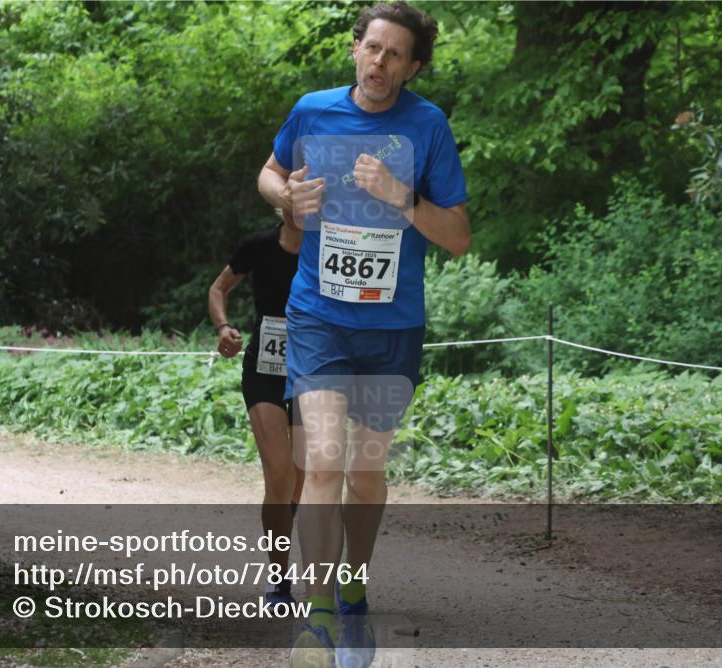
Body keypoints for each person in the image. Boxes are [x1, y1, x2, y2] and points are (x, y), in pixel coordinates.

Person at [257, 2, 470, 666]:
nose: (380, 62)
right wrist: (285, 198)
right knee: (321, 461)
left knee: (366, 471)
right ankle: (317, 617)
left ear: (413, 66)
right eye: (372, 48)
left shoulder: (428, 127)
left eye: (396, 54)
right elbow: (268, 172)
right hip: (319, 317)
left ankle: (355, 576)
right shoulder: (313, 110)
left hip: (392, 329)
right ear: (355, 49)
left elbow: (459, 238)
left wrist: (401, 198)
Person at [208, 209, 306, 608]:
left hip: (312, 369)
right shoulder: (259, 245)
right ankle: (279, 583)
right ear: (282, 206)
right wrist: (223, 326)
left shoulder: (328, 246)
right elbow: (218, 289)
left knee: (302, 478)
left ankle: (286, 524)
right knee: (278, 474)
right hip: (264, 369)